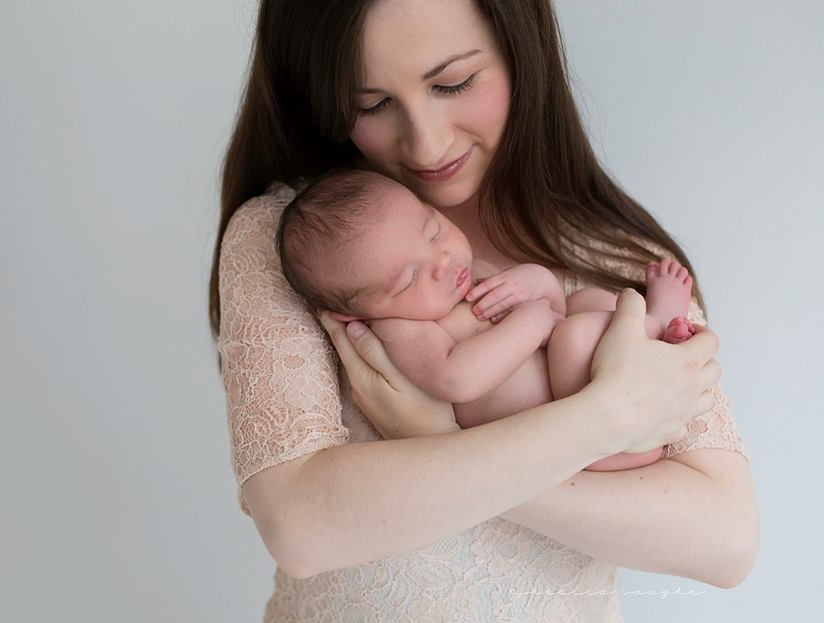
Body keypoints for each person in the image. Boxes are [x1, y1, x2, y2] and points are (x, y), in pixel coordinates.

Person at [209, 1, 758, 623]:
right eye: (371, 104)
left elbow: (727, 541)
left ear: (519, 52)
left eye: (453, 84)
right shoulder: (297, 246)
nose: (427, 142)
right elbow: (300, 528)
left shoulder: (609, 257)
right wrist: (605, 417)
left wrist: (440, 442)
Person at [277, 168, 699, 472]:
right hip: (586, 437)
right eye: (410, 278)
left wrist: (534, 283)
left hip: (596, 391)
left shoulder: (463, 277)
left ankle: (653, 338)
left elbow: (554, 305)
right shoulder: (404, 329)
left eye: (433, 230)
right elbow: (455, 379)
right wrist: (530, 321)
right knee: (574, 334)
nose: (442, 261)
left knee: (587, 300)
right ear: (359, 312)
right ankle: (660, 323)